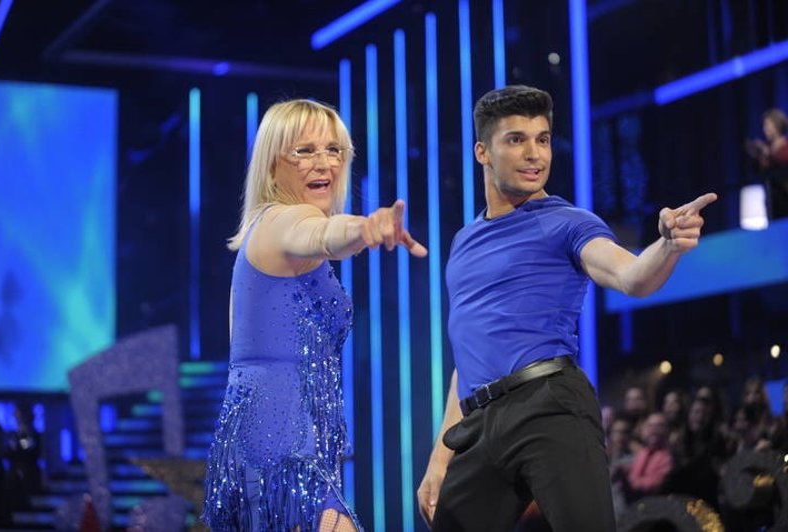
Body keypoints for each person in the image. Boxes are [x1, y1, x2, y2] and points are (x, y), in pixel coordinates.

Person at [416, 84, 717, 531]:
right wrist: (440, 457)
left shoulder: (569, 223)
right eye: (516, 139)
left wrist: (668, 245)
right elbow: (469, 355)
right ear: (482, 152)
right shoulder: (463, 242)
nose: (534, 154)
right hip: (478, 426)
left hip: (548, 405)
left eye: (542, 139)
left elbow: (632, 277)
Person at [202, 98, 427, 531]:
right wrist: (364, 228)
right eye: (304, 151)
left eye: (333, 150)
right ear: (272, 166)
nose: (323, 162)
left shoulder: (264, 231)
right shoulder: (285, 220)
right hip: (282, 440)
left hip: (277, 434)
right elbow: (321, 234)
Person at [745, 108, 788, 219]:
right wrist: (758, 157)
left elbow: (783, 161)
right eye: (764, 126)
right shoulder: (765, 148)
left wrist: (768, 154)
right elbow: (760, 172)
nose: (765, 129)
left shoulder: (785, 147)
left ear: (777, 125)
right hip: (772, 199)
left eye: (768, 125)